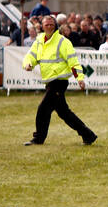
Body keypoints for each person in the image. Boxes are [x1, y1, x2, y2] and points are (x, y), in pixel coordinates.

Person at [22, 16, 96, 145]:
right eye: (46, 25)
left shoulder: (63, 42)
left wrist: (80, 79)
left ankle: (38, 138)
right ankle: (88, 135)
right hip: (50, 82)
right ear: (42, 26)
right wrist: (28, 64)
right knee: (64, 113)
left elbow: (73, 62)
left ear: (55, 26)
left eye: (51, 24)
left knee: (43, 109)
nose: (49, 27)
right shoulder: (39, 41)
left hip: (59, 82)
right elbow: (30, 56)